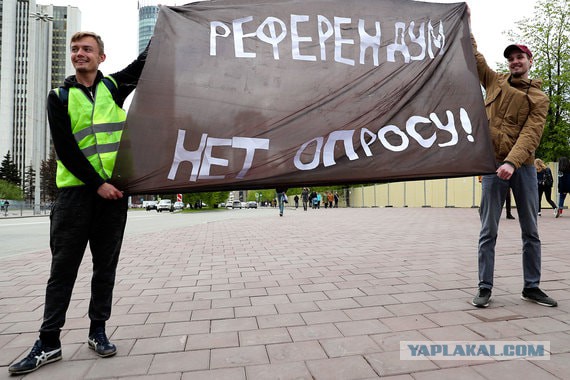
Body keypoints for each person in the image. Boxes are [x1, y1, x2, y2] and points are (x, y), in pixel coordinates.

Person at [8, 31, 149, 375]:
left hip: (113, 196)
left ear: (101, 57)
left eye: (87, 49)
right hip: (75, 196)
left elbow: (144, 63)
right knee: (62, 271)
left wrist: (169, 26)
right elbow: (66, 149)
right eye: (75, 49)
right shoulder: (58, 96)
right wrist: (97, 183)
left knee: (105, 268)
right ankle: (49, 341)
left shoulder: (114, 87)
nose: (79, 54)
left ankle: (97, 332)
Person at [468, 9, 557, 308]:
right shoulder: (494, 82)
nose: (515, 61)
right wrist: (464, 22)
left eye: (520, 57)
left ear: (530, 62)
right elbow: (474, 56)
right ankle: (485, 287)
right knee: (488, 230)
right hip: (492, 166)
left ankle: (531, 287)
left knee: (530, 230)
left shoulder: (540, 98)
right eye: (511, 58)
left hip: (524, 169)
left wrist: (512, 162)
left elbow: (531, 134)